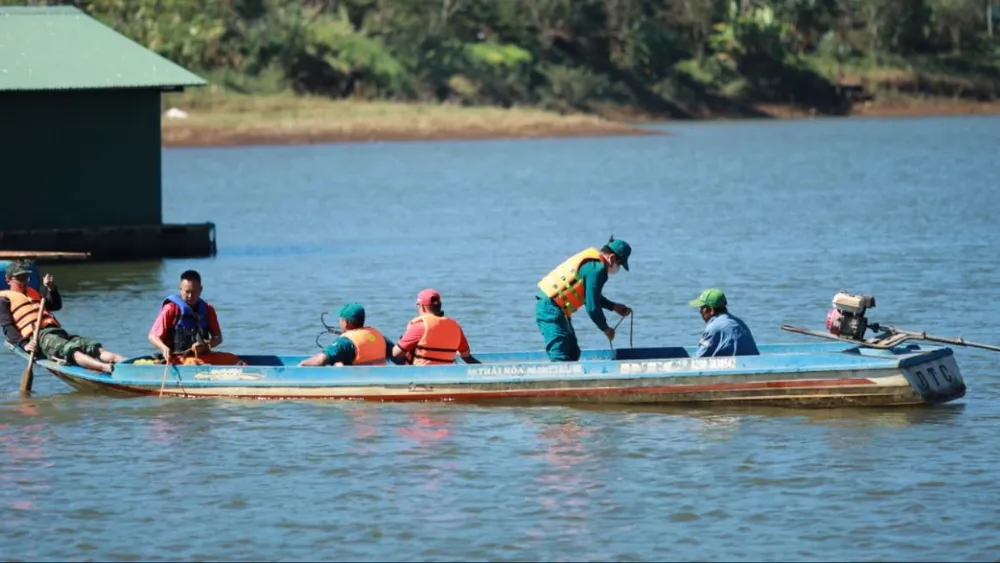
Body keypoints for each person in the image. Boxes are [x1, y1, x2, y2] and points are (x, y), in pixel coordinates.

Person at [0, 260, 125, 373]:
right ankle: (104, 367)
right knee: (71, 350)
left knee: (93, 347)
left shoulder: (34, 293)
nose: (24, 281)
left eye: (26, 277)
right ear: (8, 280)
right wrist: (24, 344)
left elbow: (55, 305)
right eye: (20, 278)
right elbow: (7, 326)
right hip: (39, 337)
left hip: (57, 332)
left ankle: (127, 363)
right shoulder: (4, 299)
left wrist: (51, 289)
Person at [535, 237, 633, 362]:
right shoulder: (597, 270)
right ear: (612, 258)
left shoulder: (593, 264)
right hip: (550, 307)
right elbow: (592, 306)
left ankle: (570, 379)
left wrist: (613, 307)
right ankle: (559, 380)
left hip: (557, 308)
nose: (617, 268)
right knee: (560, 351)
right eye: (619, 264)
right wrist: (605, 328)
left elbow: (591, 295)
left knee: (573, 352)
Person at [147, 269, 241, 366]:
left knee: (235, 360)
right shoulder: (171, 309)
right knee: (194, 363)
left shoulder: (208, 309)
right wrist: (163, 348)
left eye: (194, 292)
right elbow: (153, 336)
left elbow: (218, 338)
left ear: (201, 290)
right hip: (178, 359)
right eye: (187, 292)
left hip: (203, 356)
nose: (190, 296)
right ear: (180, 289)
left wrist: (206, 345)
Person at [392, 289, 481, 365]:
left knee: (387, 345)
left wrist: (402, 340)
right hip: (446, 373)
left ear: (422, 306)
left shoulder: (419, 326)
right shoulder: (456, 327)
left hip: (419, 374)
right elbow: (466, 355)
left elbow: (396, 354)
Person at [299, 302, 398, 367]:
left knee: (337, 364)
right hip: (380, 378)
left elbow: (320, 361)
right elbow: (398, 356)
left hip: (357, 380)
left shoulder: (345, 342)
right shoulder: (378, 336)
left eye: (340, 318)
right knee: (338, 363)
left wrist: (302, 364)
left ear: (345, 322)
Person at [688, 288, 760, 358]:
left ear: (711, 310)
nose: (700, 312)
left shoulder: (714, 327)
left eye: (702, 308)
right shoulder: (739, 322)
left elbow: (699, 358)